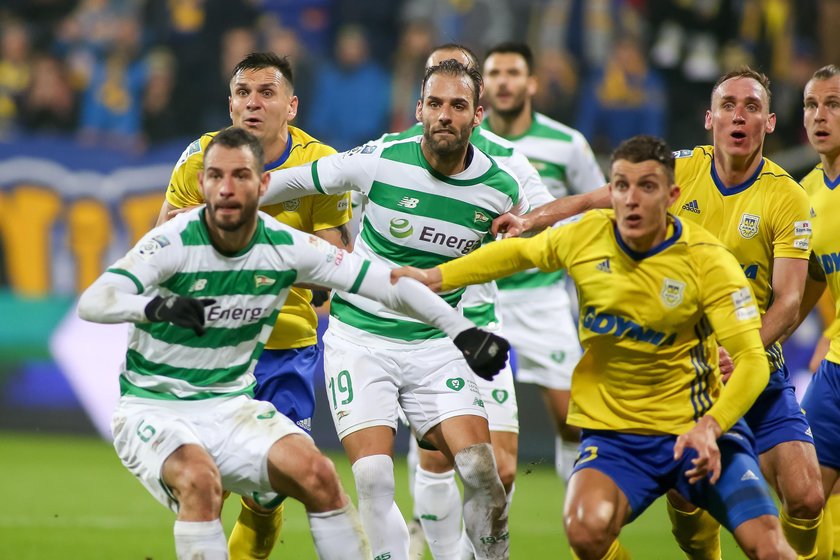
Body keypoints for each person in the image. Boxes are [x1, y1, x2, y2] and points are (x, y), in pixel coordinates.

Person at [77, 127, 509, 560]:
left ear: (264, 185)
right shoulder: (173, 240)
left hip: (230, 404)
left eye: (241, 176)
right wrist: (158, 310)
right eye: (215, 177)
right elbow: (95, 300)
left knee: (318, 474)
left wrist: (462, 331)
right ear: (202, 182)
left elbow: (386, 284)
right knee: (201, 481)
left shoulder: (283, 246)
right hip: (154, 405)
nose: (227, 189)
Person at [392, 134, 795, 560]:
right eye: (621, 186)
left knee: (768, 547)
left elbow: (753, 361)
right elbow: (516, 255)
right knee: (584, 531)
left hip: (695, 430)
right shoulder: (587, 237)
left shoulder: (709, 261)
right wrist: (435, 278)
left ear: (673, 195)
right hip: (617, 438)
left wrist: (711, 426)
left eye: (647, 187)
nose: (632, 199)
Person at [495, 66, 824, 559]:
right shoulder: (680, 171)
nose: (739, 116)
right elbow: (590, 201)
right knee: (688, 504)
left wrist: (744, 350)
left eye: (752, 107)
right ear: (709, 118)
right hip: (679, 378)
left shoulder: (787, 197)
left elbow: (790, 300)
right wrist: (528, 220)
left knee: (806, 496)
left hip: (751, 365)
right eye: (729, 106)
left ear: (770, 122)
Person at [260, 59, 520, 560]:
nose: (445, 115)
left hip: (436, 347)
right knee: (375, 478)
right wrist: (224, 202)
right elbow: (295, 182)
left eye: (458, 106)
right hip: (362, 340)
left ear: (478, 115)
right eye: (436, 104)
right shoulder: (380, 159)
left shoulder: (500, 190)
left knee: (483, 476)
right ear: (419, 109)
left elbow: (534, 240)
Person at [156, 52, 352, 559]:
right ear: (229, 103)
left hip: (286, 347)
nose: (253, 103)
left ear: (292, 105)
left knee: (269, 493)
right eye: (243, 93)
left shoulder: (321, 165)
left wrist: (244, 228)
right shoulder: (202, 156)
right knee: (203, 483)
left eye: (266, 93)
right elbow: (161, 238)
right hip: (212, 346)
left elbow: (336, 260)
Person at [375, 43, 550, 559]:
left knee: (503, 466)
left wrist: (526, 227)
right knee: (438, 461)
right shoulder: (390, 152)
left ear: (476, 98)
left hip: (480, 324)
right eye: (434, 82)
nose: (445, 99)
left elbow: (543, 217)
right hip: (415, 334)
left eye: (458, 83)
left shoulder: (507, 160)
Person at [481, 40, 605, 485]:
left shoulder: (567, 144)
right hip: (479, 295)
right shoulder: (466, 143)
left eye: (512, 73)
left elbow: (598, 212)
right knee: (478, 433)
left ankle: (579, 525)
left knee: (574, 419)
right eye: (494, 74)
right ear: (483, 85)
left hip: (541, 295)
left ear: (531, 82)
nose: (503, 82)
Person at [797, 64, 840, 559]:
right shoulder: (804, 194)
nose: (820, 116)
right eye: (811, 105)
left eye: (833, 104)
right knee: (805, 496)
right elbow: (806, 281)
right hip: (835, 370)